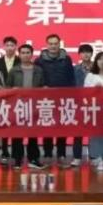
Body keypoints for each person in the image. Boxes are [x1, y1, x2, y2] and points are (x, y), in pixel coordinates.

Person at [34, 34, 75, 167]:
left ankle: (61, 154)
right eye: (50, 44)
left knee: (62, 127)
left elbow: (71, 78)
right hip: (46, 99)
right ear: (47, 45)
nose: (53, 46)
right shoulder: (39, 60)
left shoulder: (66, 59)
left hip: (63, 99)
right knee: (48, 127)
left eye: (55, 43)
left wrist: (72, 95)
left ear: (59, 44)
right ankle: (47, 154)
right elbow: (37, 79)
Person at [6, 44, 46, 170]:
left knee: (33, 134)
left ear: (32, 54)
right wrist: (12, 89)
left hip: (34, 106)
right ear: (19, 54)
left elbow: (42, 85)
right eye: (23, 52)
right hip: (18, 106)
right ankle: (17, 159)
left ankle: (33, 159)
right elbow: (7, 87)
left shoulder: (38, 70)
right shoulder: (14, 70)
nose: (25, 55)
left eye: (28, 52)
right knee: (17, 134)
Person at [0, 36, 20, 164]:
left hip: (17, 98)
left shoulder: (20, 61)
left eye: (12, 45)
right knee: (4, 124)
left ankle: (16, 152)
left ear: (15, 47)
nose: (9, 48)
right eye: (7, 45)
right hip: (2, 98)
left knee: (16, 125)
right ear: (4, 47)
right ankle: (4, 151)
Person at [71, 44, 94, 168]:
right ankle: (77, 157)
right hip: (79, 103)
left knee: (94, 132)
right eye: (83, 52)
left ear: (92, 54)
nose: (86, 54)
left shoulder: (98, 68)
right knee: (78, 131)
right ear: (79, 54)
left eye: (88, 52)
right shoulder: (75, 69)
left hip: (94, 103)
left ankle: (93, 156)